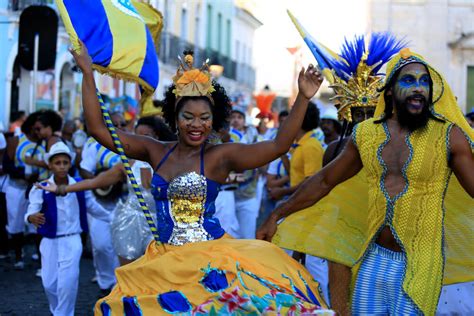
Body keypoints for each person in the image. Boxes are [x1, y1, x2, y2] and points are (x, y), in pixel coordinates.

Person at [72, 45, 333, 314]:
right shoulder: (155, 150)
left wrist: (303, 97)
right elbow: (98, 129)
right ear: (175, 118)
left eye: (204, 118)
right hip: (162, 258)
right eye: (188, 117)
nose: (196, 125)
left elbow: (278, 145)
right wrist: (88, 74)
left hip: (208, 259)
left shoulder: (219, 157)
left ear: (214, 120)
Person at [259, 48, 474, 315]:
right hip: (373, 257)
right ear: (390, 91)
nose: (418, 88)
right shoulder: (366, 134)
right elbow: (325, 180)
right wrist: (277, 214)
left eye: (424, 82)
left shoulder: (448, 136)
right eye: (409, 80)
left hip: (421, 262)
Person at [36, 116, 176, 266]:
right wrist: (61, 188)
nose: (142, 140)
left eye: (147, 136)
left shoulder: (171, 163)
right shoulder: (127, 165)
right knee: (128, 272)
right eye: (138, 135)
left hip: (161, 223)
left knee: (156, 271)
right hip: (130, 222)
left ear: (157, 137)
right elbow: (94, 182)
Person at [25, 142, 111, 316]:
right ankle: (57, 311)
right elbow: (30, 211)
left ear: (70, 164)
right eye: (58, 163)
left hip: (72, 240)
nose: (62, 166)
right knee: (49, 283)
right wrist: (30, 217)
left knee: (67, 283)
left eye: (65, 162)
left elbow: (93, 207)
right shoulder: (41, 187)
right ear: (50, 165)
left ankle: (63, 314)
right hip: (48, 241)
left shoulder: (79, 185)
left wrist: (113, 218)